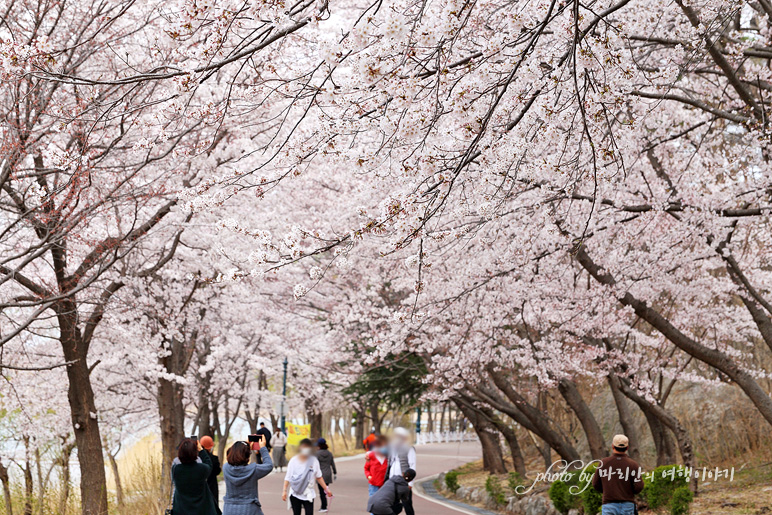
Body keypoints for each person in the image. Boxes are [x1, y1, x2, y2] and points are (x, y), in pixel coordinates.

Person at [591, 435, 644, 515]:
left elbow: (595, 484)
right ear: (627, 448)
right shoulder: (633, 464)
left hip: (609, 504)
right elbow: (639, 486)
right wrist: (629, 492)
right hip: (628, 505)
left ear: (613, 446)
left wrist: (608, 491)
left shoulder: (604, 463)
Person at [222, 438, 273, 515]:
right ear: (247, 455)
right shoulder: (253, 470)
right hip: (250, 509)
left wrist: (244, 445)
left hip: (229, 509)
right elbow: (269, 465)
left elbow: (231, 453)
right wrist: (262, 448)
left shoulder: (226, 468)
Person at [282, 438, 333, 515]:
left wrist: (326, 489)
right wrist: (284, 490)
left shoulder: (314, 461)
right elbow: (288, 477)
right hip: (295, 492)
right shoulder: (293, 460)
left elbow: (319, 477)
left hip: (309, 493)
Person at [171, 438, 219, 515]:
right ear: (195, 453)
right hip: (200, 510)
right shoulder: (201, 469)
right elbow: (209, 463)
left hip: (181, 510)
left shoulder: (175, 469)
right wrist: (201, 450)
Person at [387, 428, 416, 515]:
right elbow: (390, 462)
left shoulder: (409, 448)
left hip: (404, 480)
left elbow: (412, 465)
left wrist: (410, 483)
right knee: (393, 503)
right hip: (392, 479)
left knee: (407, 503)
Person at [200, 436, 223, 515]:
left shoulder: (197, 459)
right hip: (212, 487)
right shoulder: (214, 459)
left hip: (200, 489)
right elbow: (218, 471)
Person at [315, 438, 337, 513]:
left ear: (319, 445)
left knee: (321, 491)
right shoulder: (329, 453)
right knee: (325, 489)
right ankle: (324, 505)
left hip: (320, 474)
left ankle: (324, 506)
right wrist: (335, 472)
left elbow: (314, 464)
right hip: (328, 473)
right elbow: (332, 464)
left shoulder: (317, 454)